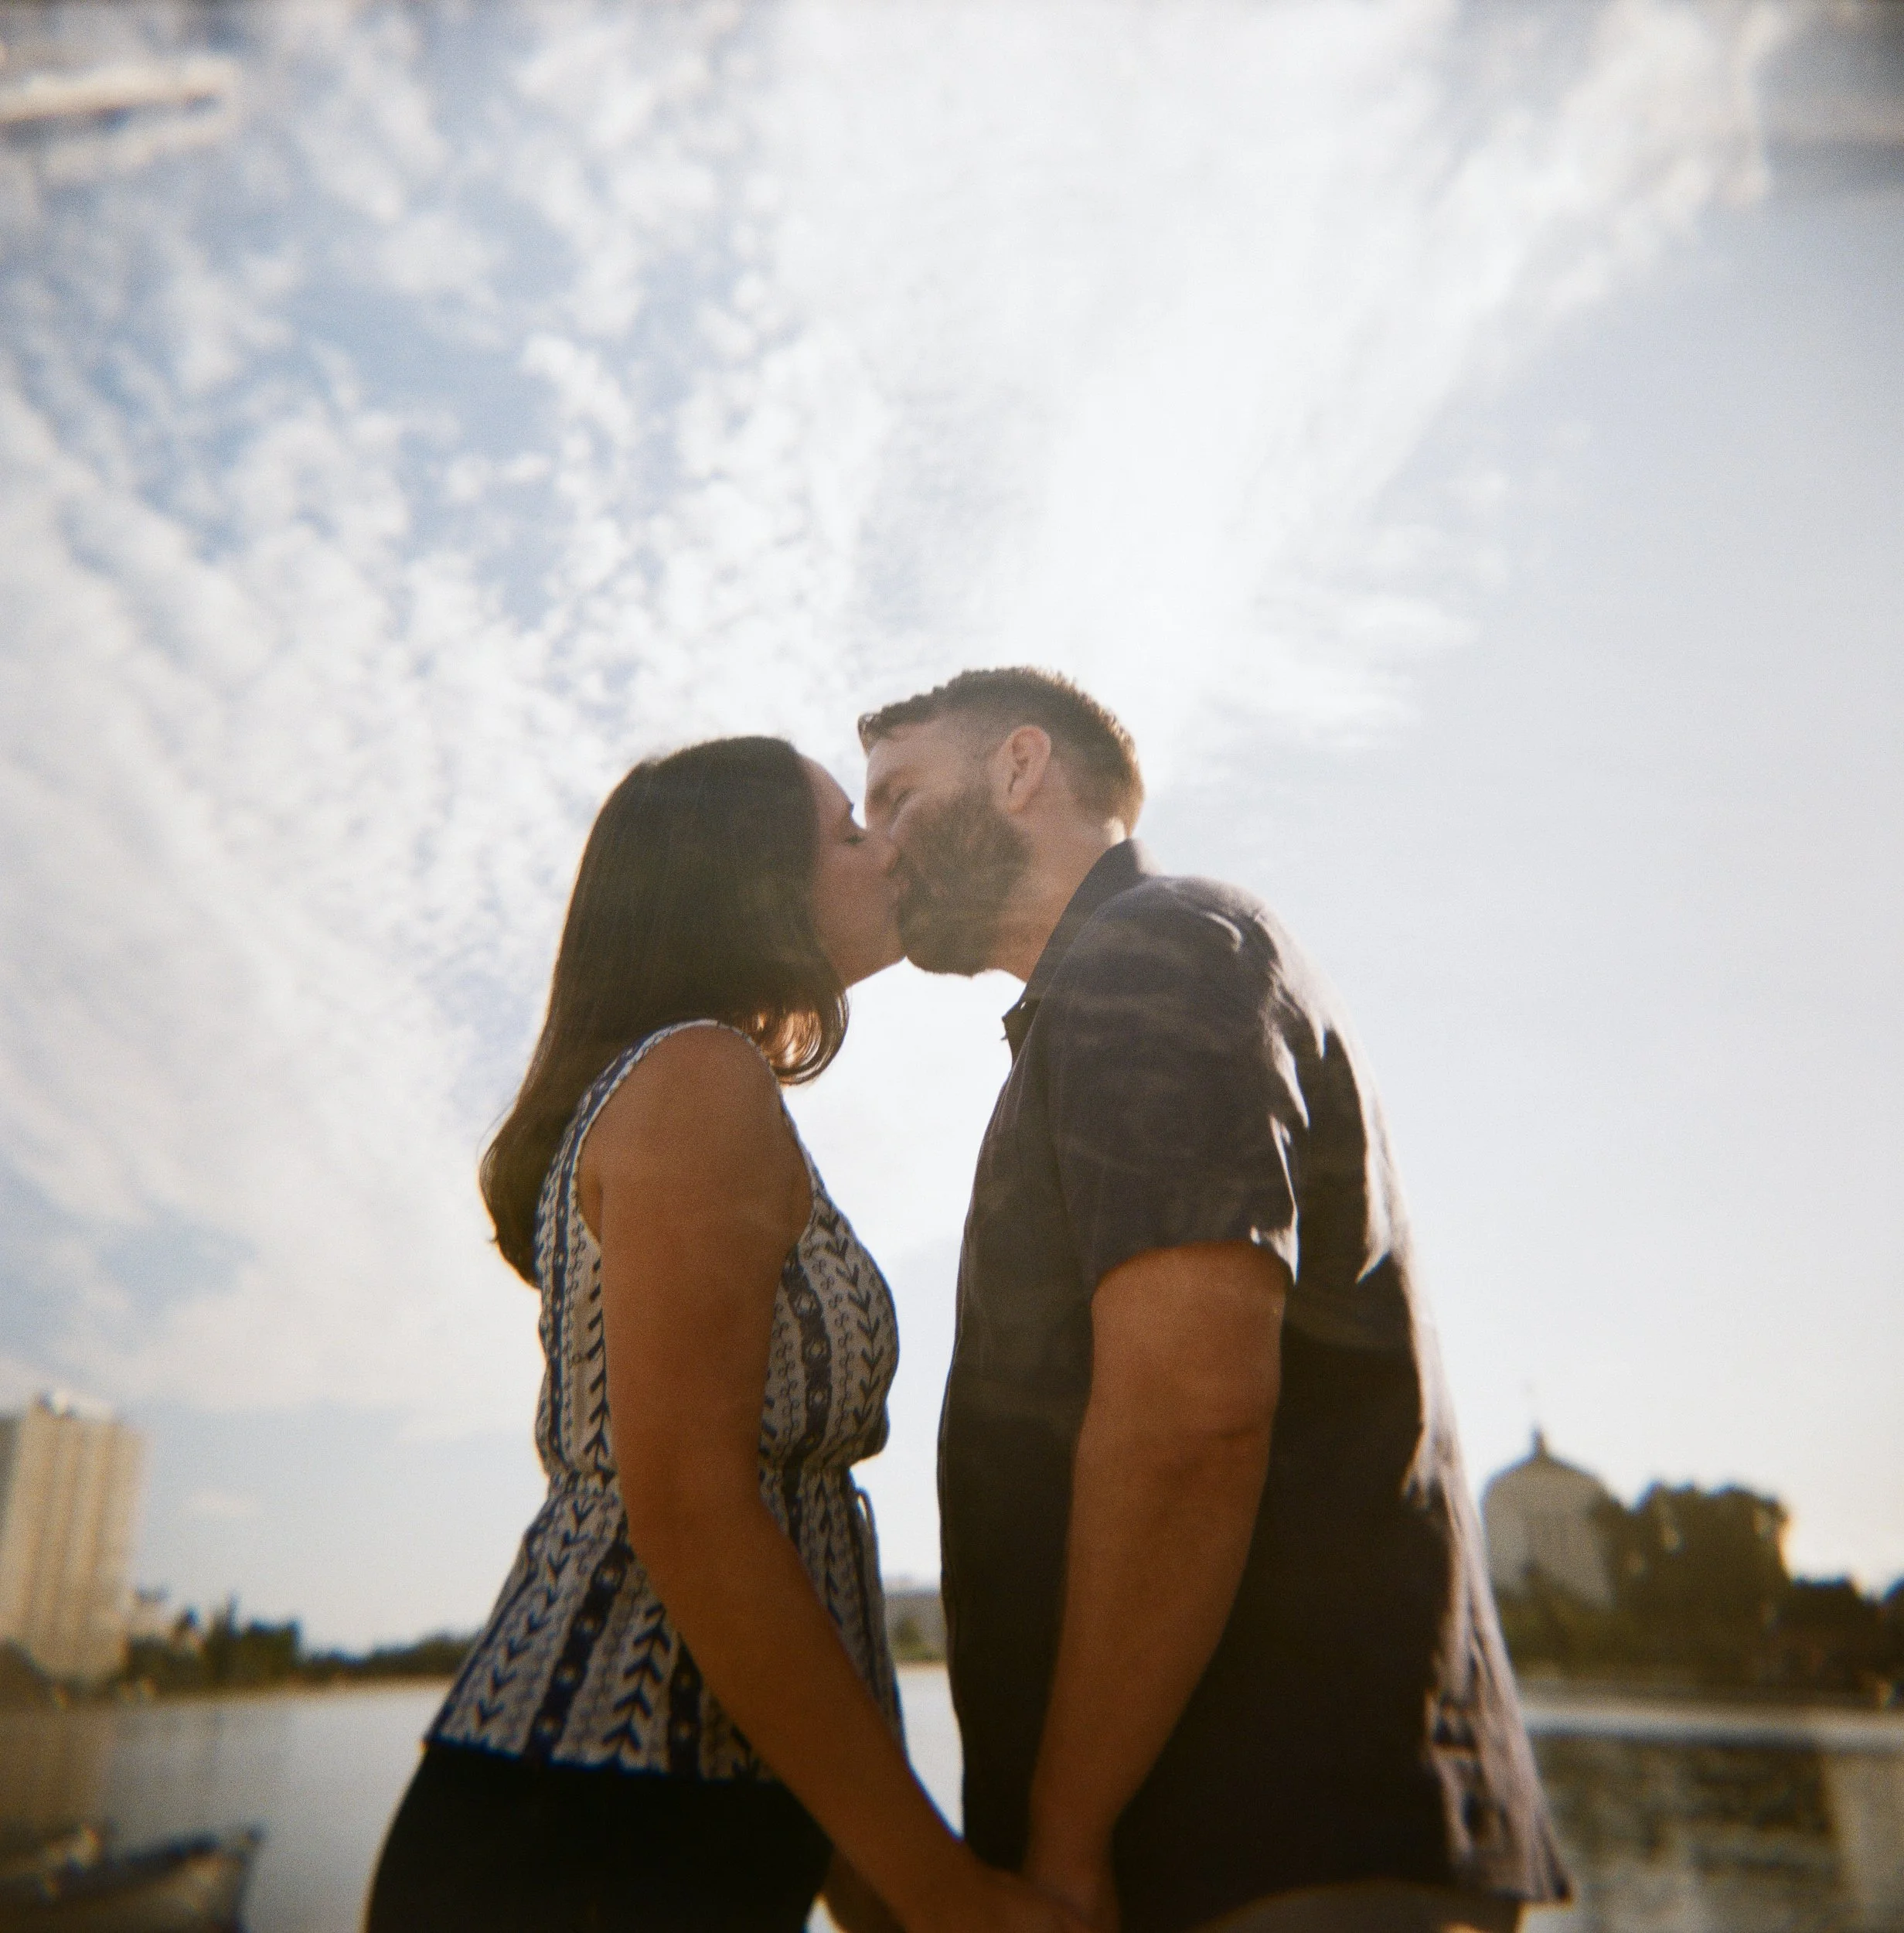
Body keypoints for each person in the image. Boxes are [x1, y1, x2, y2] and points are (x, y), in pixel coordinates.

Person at [860, 672, 1572, 1933]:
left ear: (1021, 769)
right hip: (1255, 1844)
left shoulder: (1153, 953)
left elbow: (1189, 1421)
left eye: (900, 798)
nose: (880, 845)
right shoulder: (1122, 983)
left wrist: (1066, 1843)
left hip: (1267, 1852)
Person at [367, 737, 1081, 1933]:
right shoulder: (698, 1077)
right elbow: (693, 1510)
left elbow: (782, 1546)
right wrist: (948, 1895)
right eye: (851, 831)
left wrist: (886, 1886)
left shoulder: (696, 1081)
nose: (887, 846)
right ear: (750, 883)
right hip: (589, 1840)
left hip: (664, 1826)